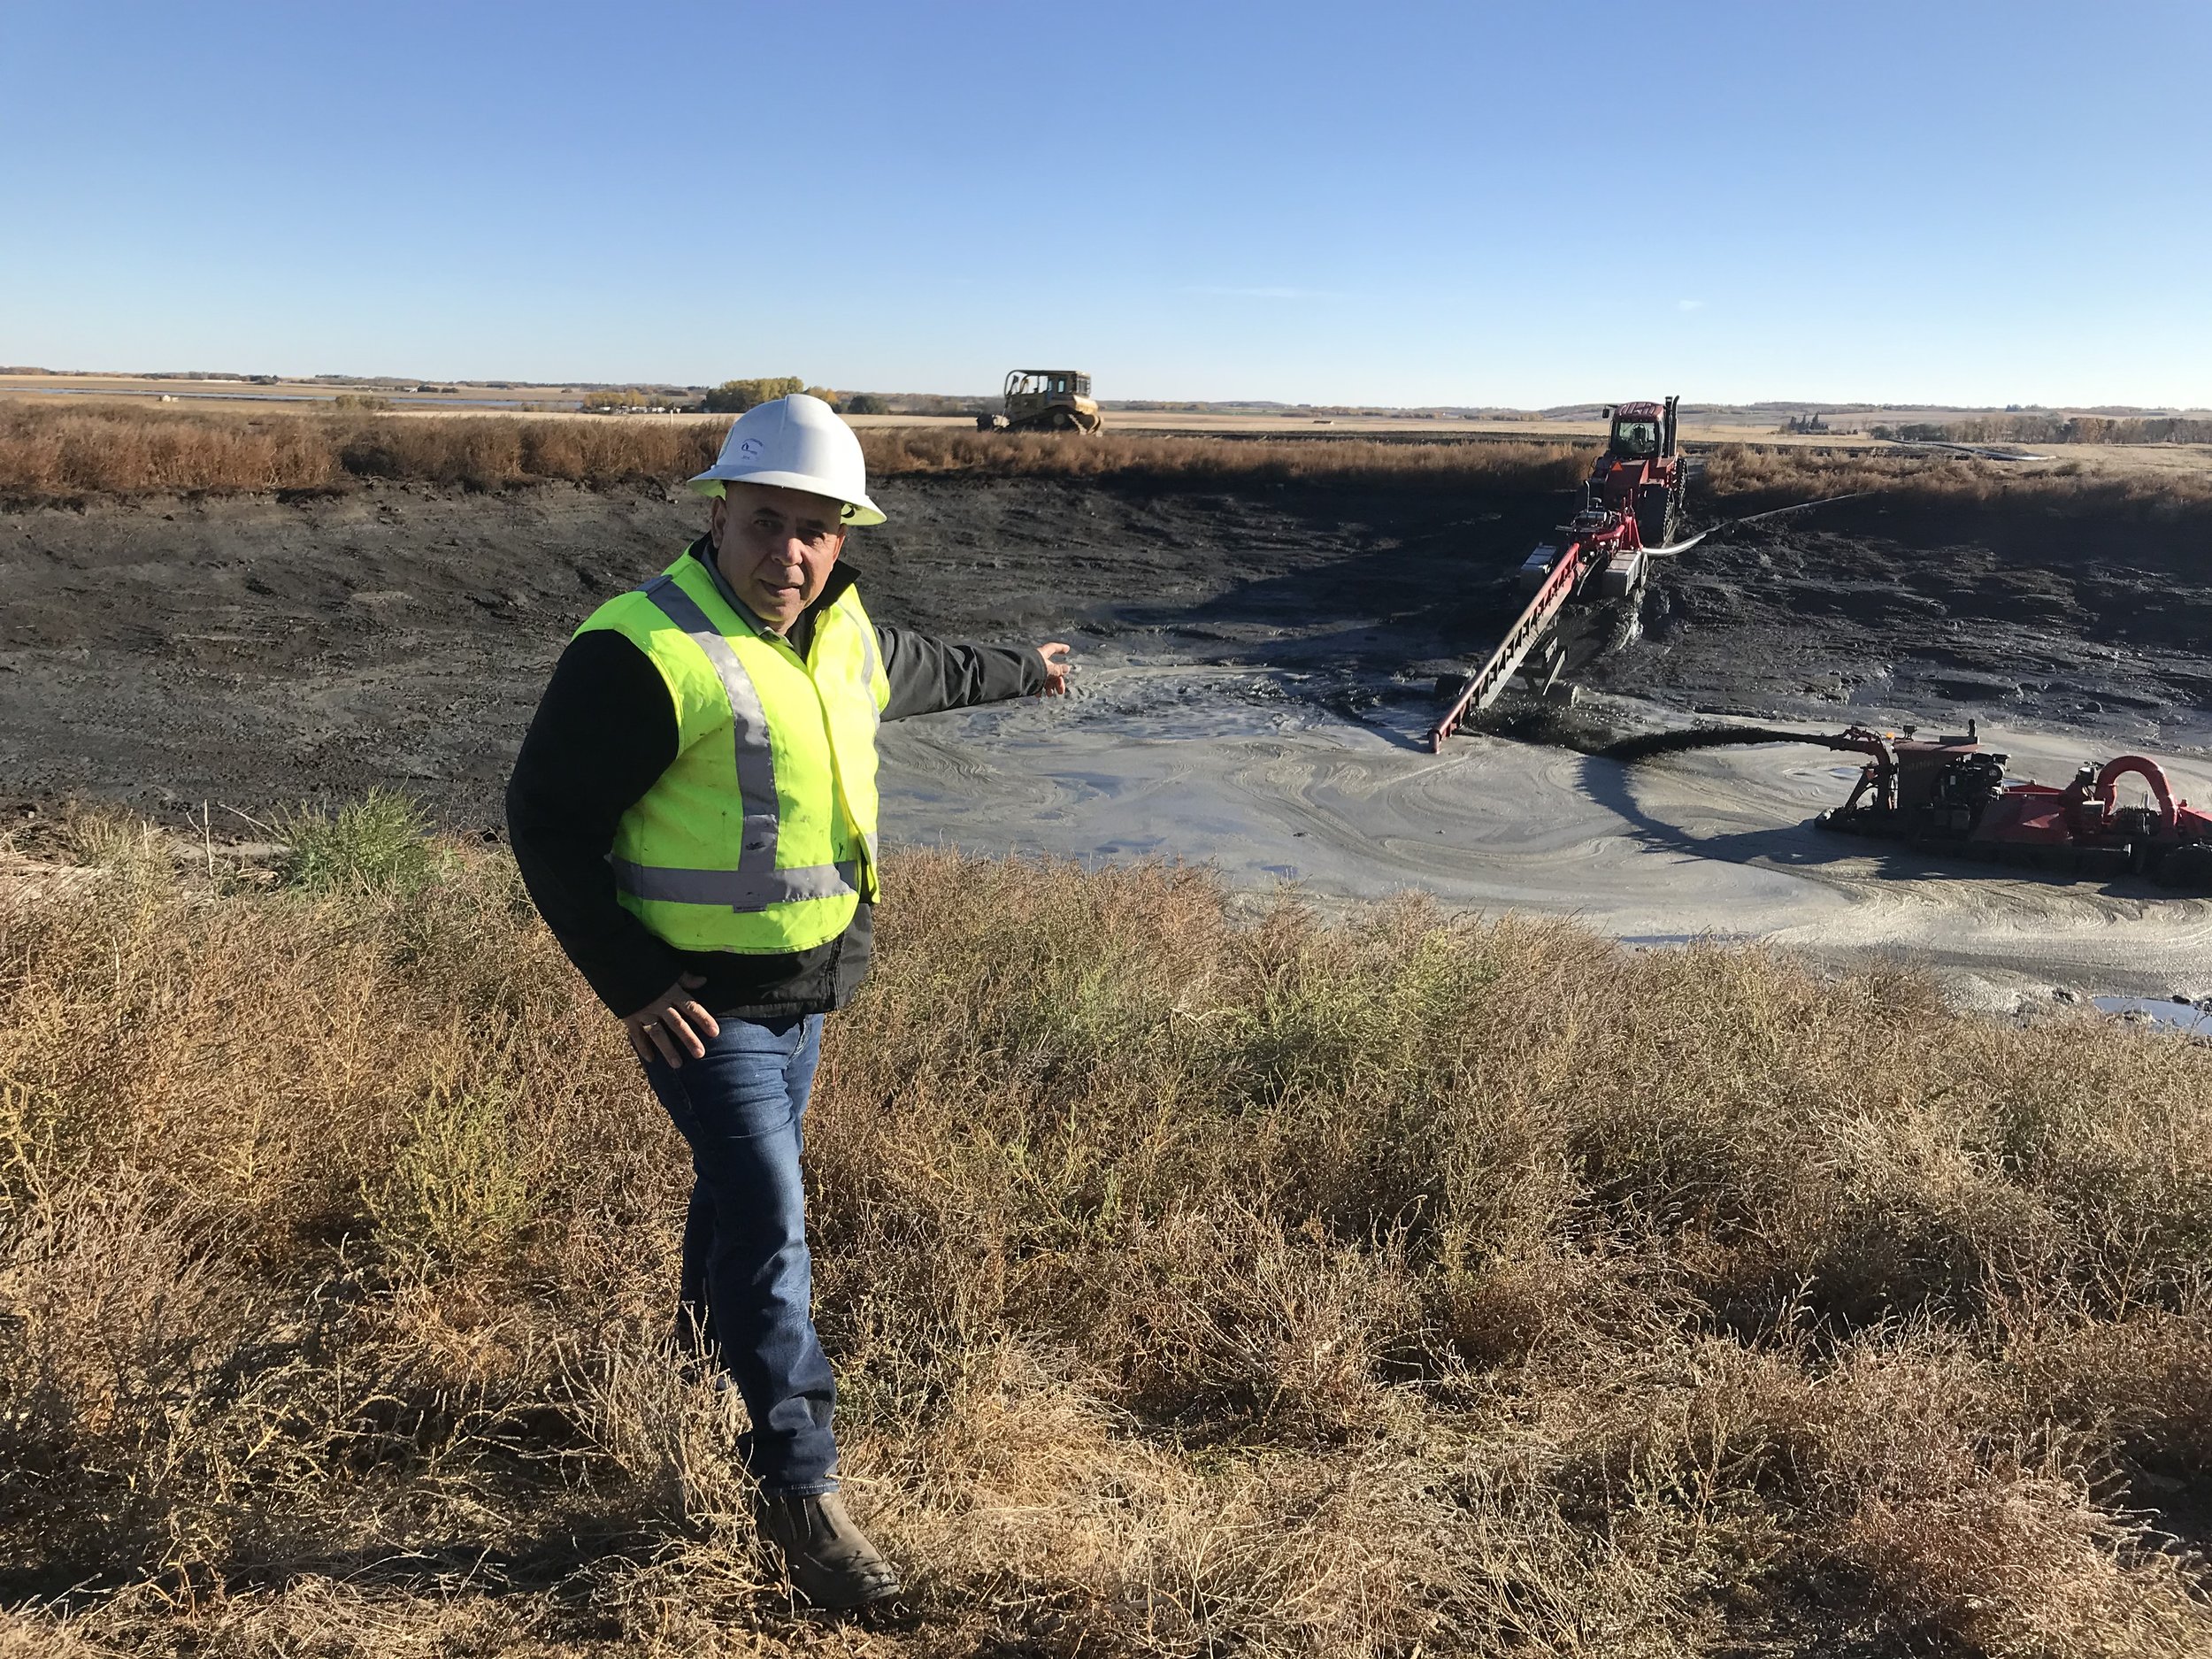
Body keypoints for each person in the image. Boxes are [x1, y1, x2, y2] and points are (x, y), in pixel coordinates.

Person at [505, 394, 1070, 1609]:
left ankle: (690, 1370)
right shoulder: (643, 651)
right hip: (697, 1004)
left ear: (843, 539)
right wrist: (634, 982)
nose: (792, 555)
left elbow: (926, 672)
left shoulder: (846, 634)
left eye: (818, 532)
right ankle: (799, 1488)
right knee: (771, 1216)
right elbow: (543, 822)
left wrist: (1027, 669)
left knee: (737, 1195)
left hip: (809, 987)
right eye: (768, 523)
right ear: (721, 513)